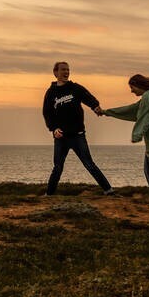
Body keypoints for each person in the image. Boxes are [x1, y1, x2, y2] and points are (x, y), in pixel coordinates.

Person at [41, 61, 115, 196]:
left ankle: (108, 190)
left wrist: (95, 107)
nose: (66, 72)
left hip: (77, 135)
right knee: (57, 168)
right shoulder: (51, 92)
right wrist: (53, 128)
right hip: (61, 137)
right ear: (55, 72)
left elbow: (88, 97)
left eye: (68, 70)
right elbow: (47, 113)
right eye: (63, 70)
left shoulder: (75, 88)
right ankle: (49, 194)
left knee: (89, 164)